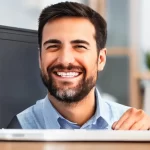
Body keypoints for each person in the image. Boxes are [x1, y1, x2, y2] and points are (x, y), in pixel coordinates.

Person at [7, 1, 150, 130]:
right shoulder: (18, 130)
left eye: (79, 46)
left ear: (100, 59)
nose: (65, 60)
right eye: (53, 46)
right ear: (40, 58)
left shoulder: (132, 126)